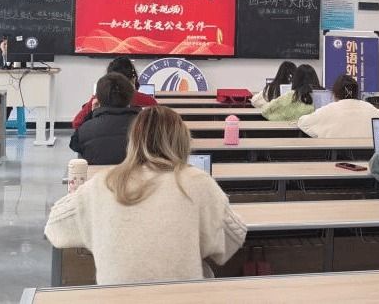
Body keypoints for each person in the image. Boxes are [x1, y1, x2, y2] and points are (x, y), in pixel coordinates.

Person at [45, 106, 247, 285]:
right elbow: (232, 240)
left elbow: (55, 227)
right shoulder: (198, 182)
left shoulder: (104, 182)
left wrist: (100, 233)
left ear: (133, 140)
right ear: (183, 141)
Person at [69, 73, 141, 165]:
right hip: (136, 174)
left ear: (98, 99)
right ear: (130, 97)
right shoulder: (145, 126)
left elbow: (74, 145)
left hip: (97, 174)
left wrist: (92, 114)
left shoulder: (85, 129)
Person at [72, 56, 158, 129]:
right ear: (133, 79)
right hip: (137, 141)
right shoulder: (148, 101)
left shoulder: (99, 98)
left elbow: (77, 123)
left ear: (108, 78)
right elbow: (157, 126)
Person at [297, 75, 379, 138]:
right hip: (370, 157)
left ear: (334, 94)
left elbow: (303, 123)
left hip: (334, 157)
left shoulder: (327, 110)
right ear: (356, 93)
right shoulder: (373, 110)